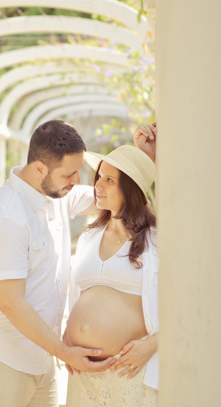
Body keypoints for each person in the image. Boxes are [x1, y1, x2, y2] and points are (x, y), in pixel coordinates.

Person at [0, 120, 115, 407]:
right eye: (69, 174)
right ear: (40, 168)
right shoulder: (8, 218)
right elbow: (11, 304)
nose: (77, 180)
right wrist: (66, 353)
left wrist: (141, 154)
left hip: (41, 358)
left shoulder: (56, 194)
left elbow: (107, 195)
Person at [64, 143, 158, 407]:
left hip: (129, 369)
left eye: (108, 180)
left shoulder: (157, 240)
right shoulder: (89, 237)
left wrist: (151, 345)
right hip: (82, 371)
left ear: (130, 189)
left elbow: (190, 304)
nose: (97, 185)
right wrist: (68, 337)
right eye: (98, 177)